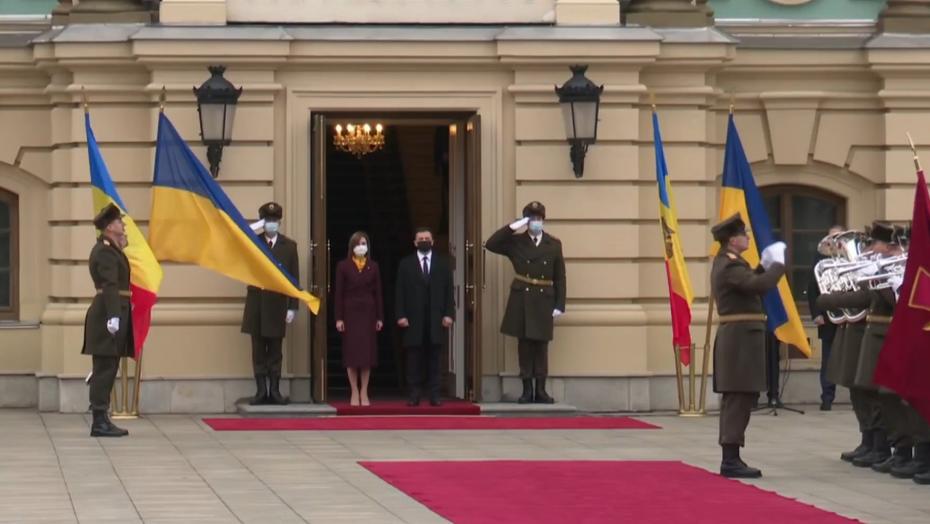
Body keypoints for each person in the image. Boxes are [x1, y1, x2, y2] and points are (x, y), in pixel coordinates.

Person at [710, 213, 786, 478]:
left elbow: (751, 281)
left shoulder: (732, 263)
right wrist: (777, 266)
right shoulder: (729, 265)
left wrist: (764, 266)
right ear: (733, 239)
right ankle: (730, 460)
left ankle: (732, 456)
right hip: (739, 340)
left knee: (740, 397)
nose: (748, 237)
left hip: (742, 338)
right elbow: (757, 285)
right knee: (737, 398)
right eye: (744, 234)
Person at [817, 224, 886, 465]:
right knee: (856, 389)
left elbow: (866, 297)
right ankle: (866, 439)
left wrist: (832, 299)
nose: (867, 248)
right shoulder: (864, 266)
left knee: (869, 389)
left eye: (871, 243)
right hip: (850, 327)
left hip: (865, 328)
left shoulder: (879, 268)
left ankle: (879, 444)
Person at [485, 201, 566, 404]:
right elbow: (491, 244)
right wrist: (514, 225)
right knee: (524, 346)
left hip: (544, 298)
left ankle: (541, 390)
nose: (536, 222)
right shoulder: (516, 242)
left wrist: (559, 304)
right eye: (532, 219)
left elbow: (560, 277)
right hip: (523, 297)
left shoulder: (553, 244)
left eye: (538, 219)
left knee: (541, 346)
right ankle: (526, 390)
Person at [241, 202, 299, 405]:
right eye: (268, 221)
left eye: (274, 221)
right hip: (257, 304)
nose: (271, 224)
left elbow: (293, 278)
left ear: (279, 222)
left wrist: (293, 306)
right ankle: (260, 391)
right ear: (262, 222)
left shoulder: (289, 247)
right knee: (258, 351)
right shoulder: (253, 242)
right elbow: (240, 247)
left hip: (277, 305)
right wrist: (252, 230)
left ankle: (274, 391)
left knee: (275, 352)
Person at [82, 203, 132, 438]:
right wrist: (113, 315)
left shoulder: (111, 249)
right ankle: (99, 421)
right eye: (119, 222)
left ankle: (102, 417)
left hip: (112, 309)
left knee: (107, 367)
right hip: (106, 312)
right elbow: (110, 284)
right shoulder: (104, 251)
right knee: (104, 368)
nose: (123, 225)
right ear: (110, 226)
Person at [395, 228, 454, 406]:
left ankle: (434, 395)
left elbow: (448, 292)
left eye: (427, 238)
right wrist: (401, 315)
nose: (424, 241)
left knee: (434, 359)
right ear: (414, 243)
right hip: (413, 319)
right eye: (420, 239)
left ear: (433, 241)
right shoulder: (405, 264)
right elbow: (400, 292)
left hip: (436, 319)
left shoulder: (443, 263)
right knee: (414, 359)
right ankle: (414, 394)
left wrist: (448, 314)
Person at [334, 231, 384, 406]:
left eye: (364, 243)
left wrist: (380, 317)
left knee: (366, 355)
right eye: (358, 244)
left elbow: (378, 293)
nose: (361, 246)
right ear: (352, 247)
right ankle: (354, 390)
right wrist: (339, 318)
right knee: (352, 354)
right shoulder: (343, 266)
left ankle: (364, 391)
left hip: (368, 313)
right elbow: (338, 293)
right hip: (350, 313)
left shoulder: (373, 266)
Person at [807, 225, 844, 411]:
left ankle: (857, 395)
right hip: (828, 317)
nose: (833, 242)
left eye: (837, 237)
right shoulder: (820, 260)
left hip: (848, 316)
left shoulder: (850, 258)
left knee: (852, 358)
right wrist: (816, 314)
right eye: (830, 238)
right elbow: (812, 289)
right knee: (828, 359)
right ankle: (827, 397)